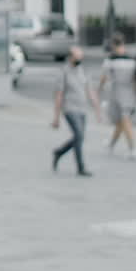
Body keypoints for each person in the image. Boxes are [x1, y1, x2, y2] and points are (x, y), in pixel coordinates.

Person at [51, 46, 102, 177]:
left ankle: (59, 152)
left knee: (80, 138)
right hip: (69, 108)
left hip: (82, 109)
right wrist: (56, 117)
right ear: (70, 57)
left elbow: (90, 90)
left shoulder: (83, 71)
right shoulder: (64, 72)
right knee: (79, 136)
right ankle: (81, 167)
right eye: (77, 57)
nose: (79, 59)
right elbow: (59, 94)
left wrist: (97, 109)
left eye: (81, 57)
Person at [98, 33, 136, 160]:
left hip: (118, 91)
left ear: (113, 45)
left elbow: (104, 77)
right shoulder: (132, 59)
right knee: (122, 121)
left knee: (124, 120)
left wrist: (99, 89)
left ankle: (132, 148)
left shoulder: (111, 59)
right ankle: (111, 144)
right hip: (129, 91)